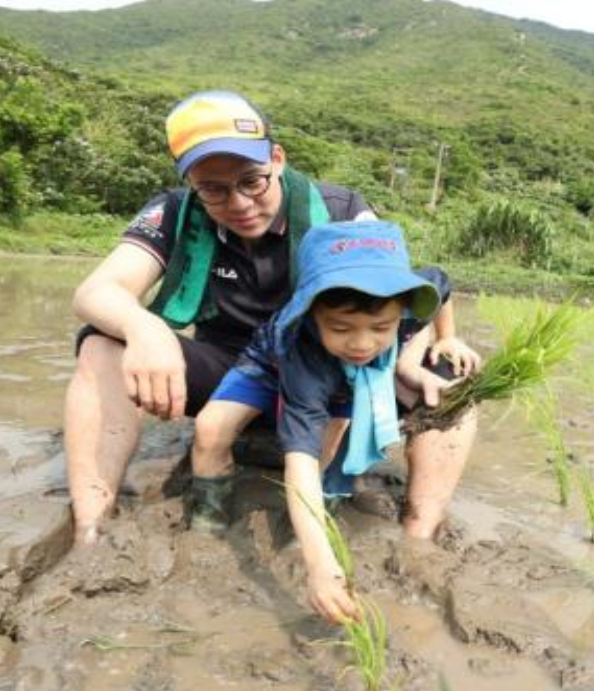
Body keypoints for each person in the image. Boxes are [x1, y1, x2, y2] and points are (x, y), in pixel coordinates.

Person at [64, 90, 378, 546]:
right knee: (101, 343)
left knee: (448, 374)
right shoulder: (175, 211)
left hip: (319, 376)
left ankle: (421, 534)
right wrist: (145, 326)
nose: (239, 203)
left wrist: (431, 346)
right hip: (229, 377)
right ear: (191, 181)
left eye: (253, 180)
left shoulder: (341, 211)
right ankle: (90, 527)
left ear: (278, 159)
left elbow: (394, 295)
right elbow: (96, 291)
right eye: (214, 189)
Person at [192, 220, 480, 623]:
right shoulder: (304, 352)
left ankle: (308, 524)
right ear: (311, 313)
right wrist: (321, 566)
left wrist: (447, 337)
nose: (362, 343)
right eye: (341, 327)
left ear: (402, 308)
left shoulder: (409, 297)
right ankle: (207, 517)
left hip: (340, 377)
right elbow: (299, 462)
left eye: (380, 328)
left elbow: (442, 284)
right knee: (209, 430)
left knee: (330, 441)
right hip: (268, 363)